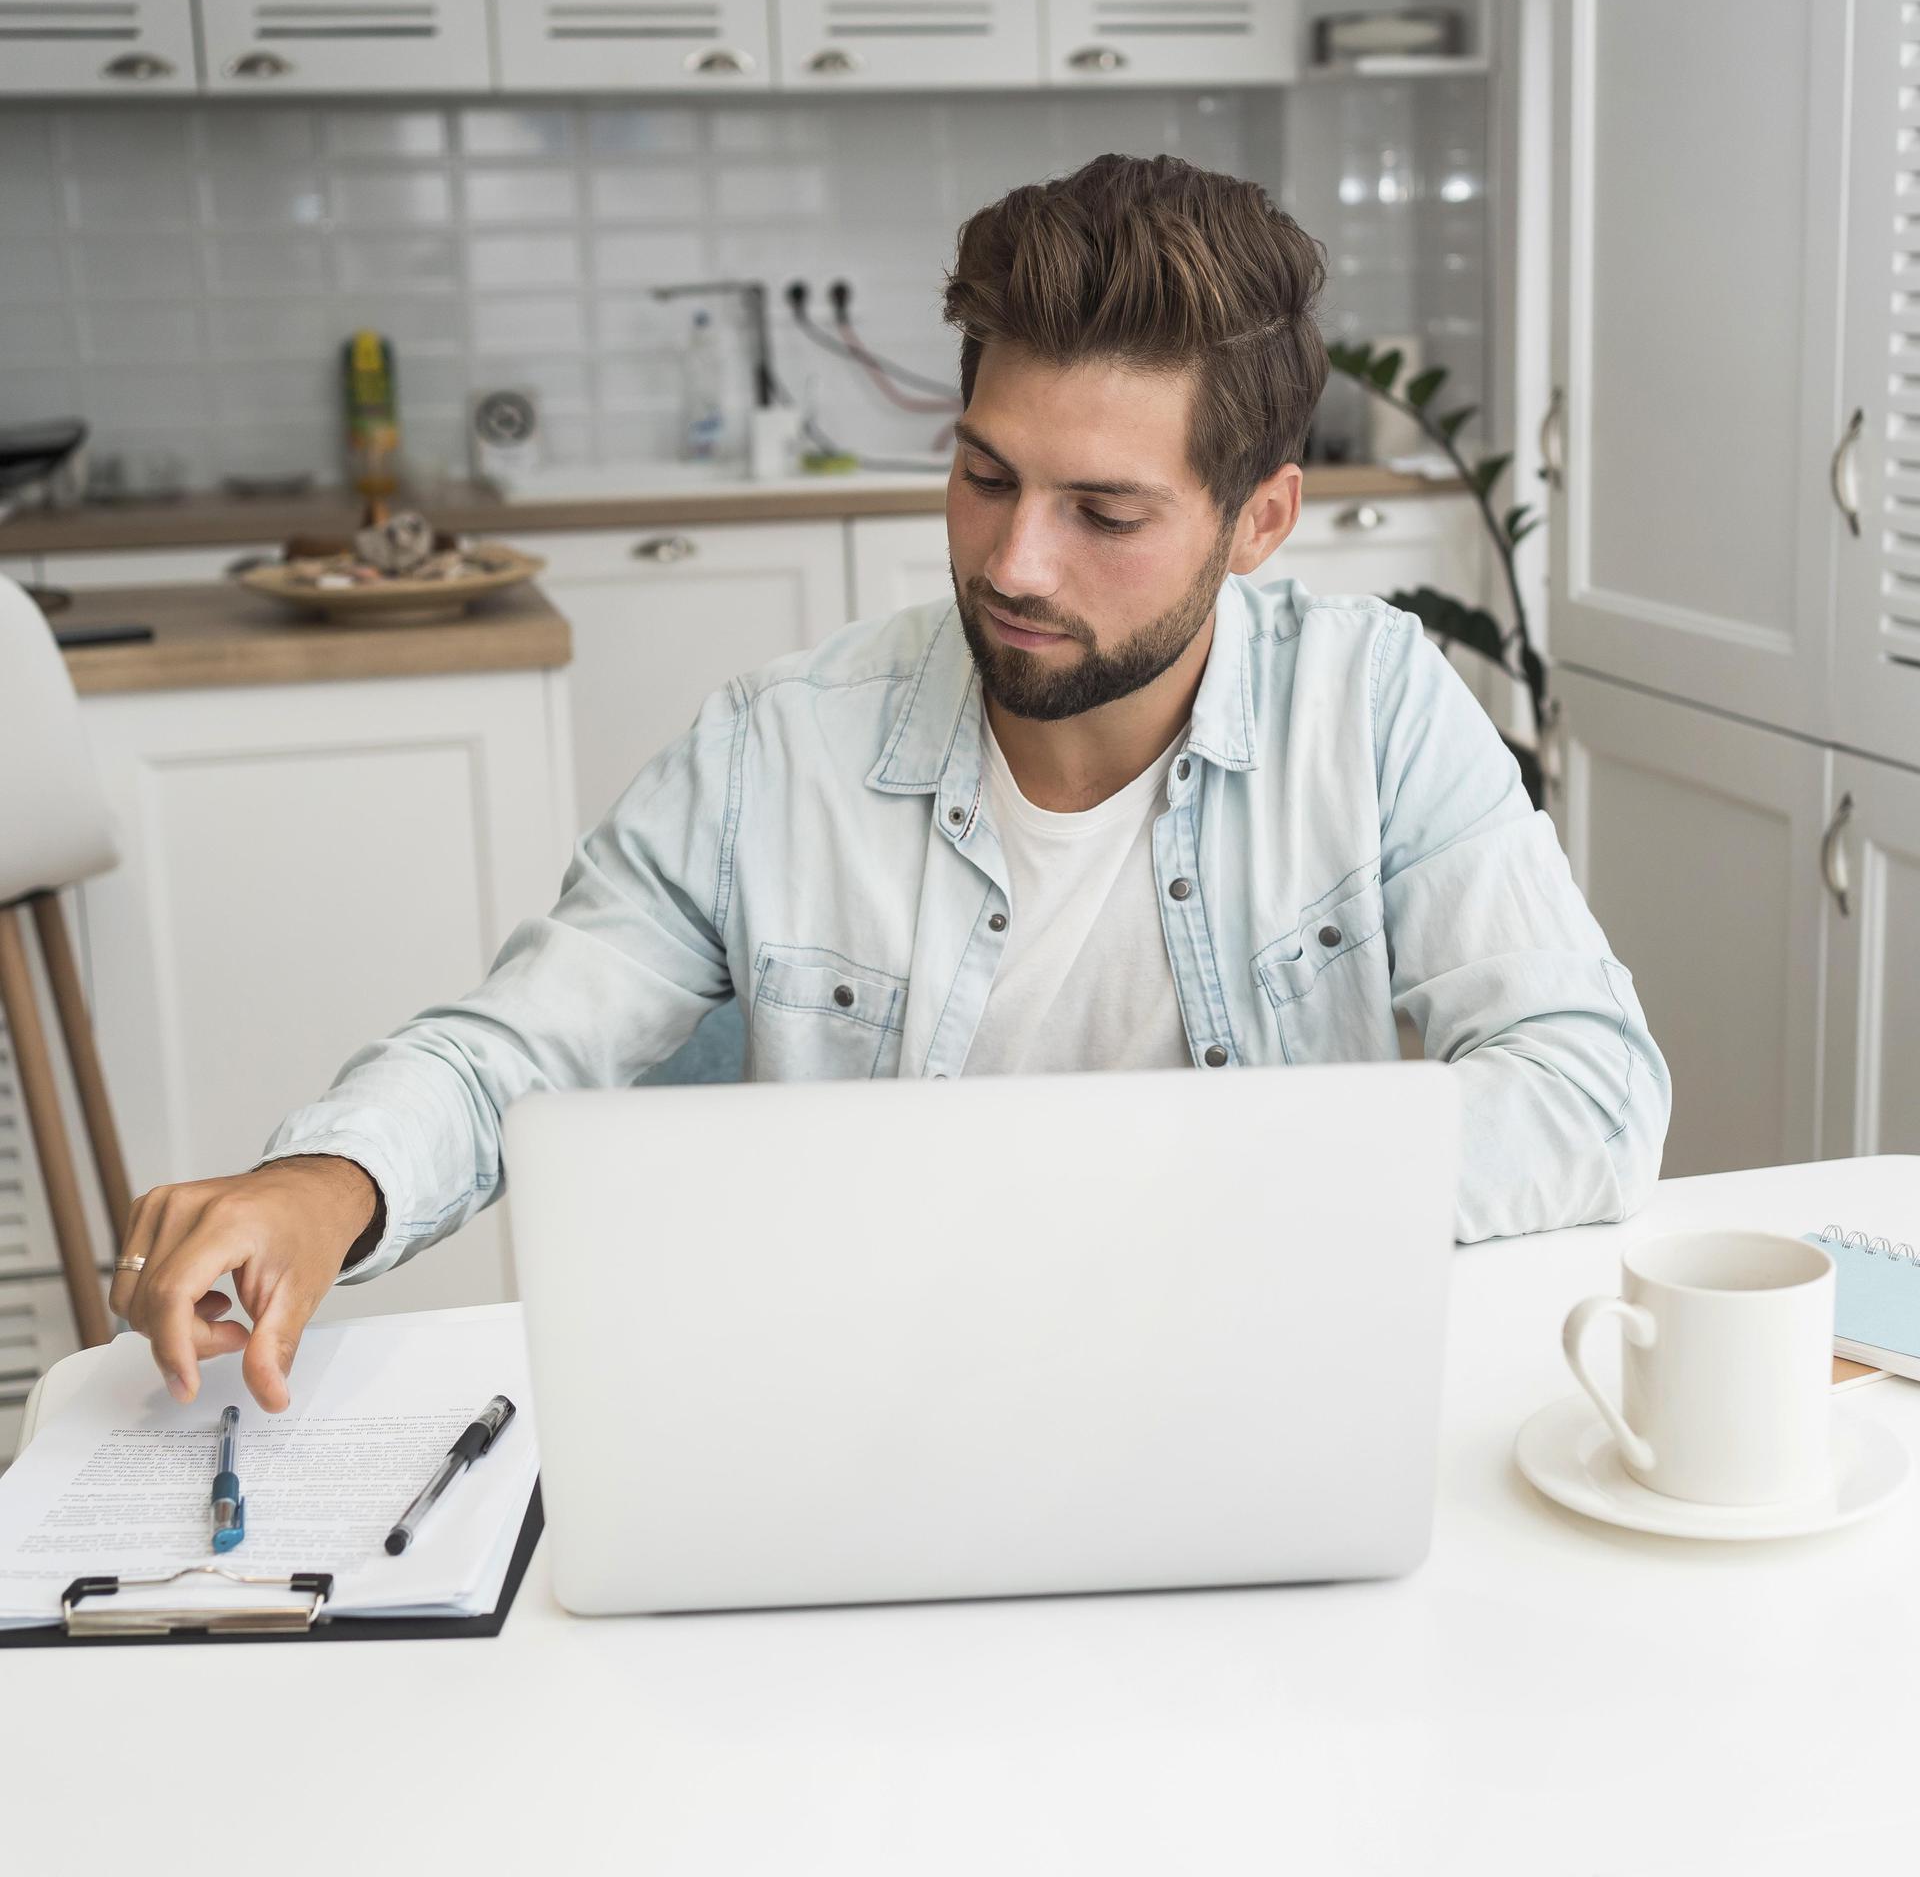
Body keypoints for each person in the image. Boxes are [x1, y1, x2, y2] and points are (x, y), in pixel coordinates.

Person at [112, 153, 1671, 1413]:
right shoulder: (773, 750)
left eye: (1104, 514)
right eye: (986, 476)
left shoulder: (1373, 707)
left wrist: (1214, 1200)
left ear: (1259, 520)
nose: (1015, 563)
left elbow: (1584, 1084)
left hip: (1254, 1395)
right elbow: (518, 1045)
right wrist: (323, 1183)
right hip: (858, 1418)